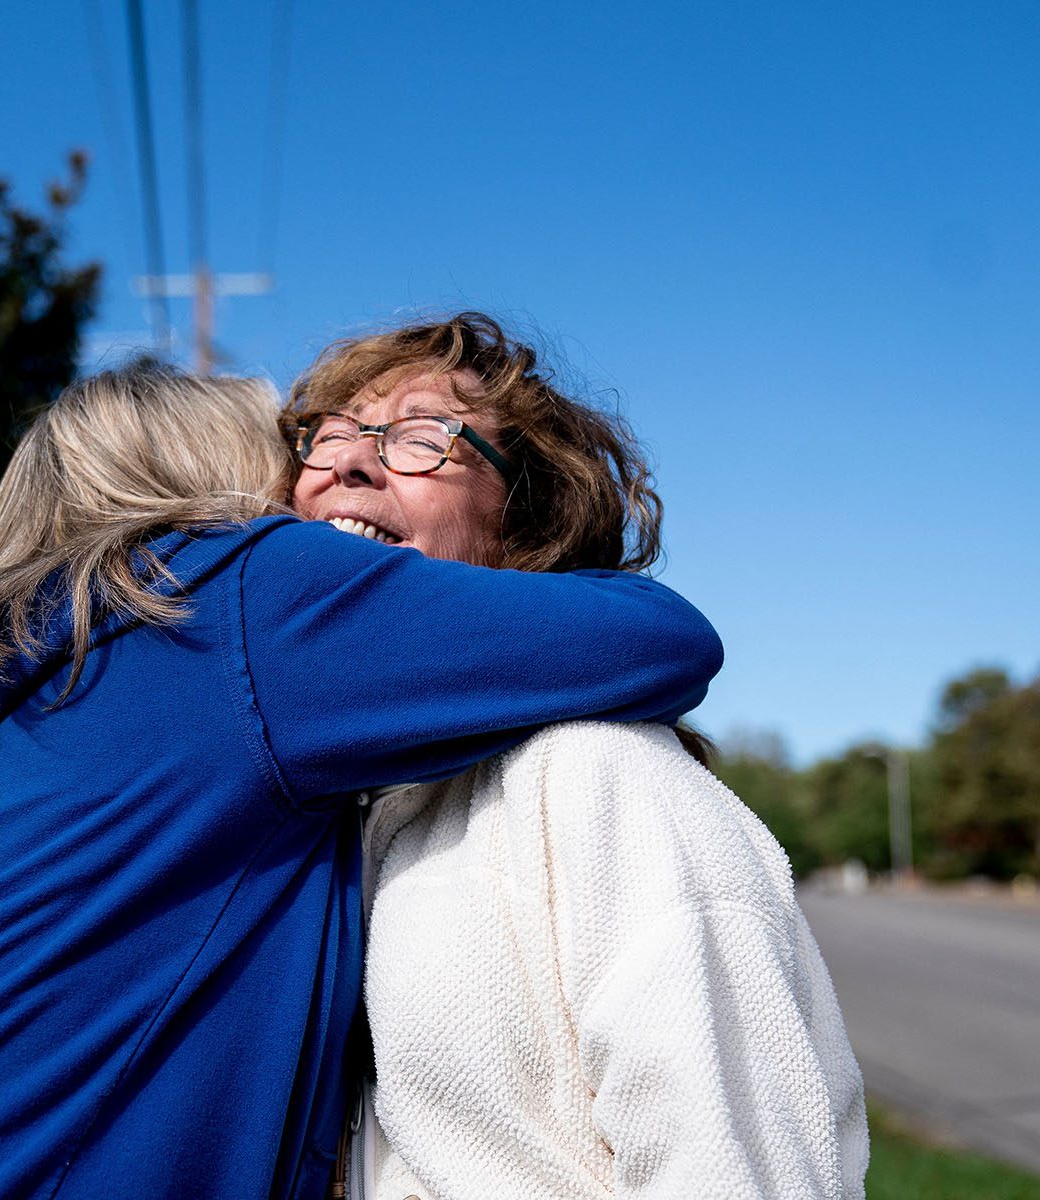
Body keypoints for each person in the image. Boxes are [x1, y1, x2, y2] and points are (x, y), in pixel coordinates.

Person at [0, 361, 723, 1199]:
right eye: (305, 443)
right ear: (216, 485)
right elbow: (665, 636)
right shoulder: (239, 597)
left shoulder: (29, 699)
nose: (328, 469)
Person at [274, 313, 868, 1199]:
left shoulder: (599, 779)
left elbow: (737, 1173)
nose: (356, 460)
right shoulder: (335, 806)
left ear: (524, 530)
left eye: (425, 440)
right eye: (333, 434)